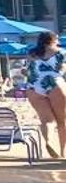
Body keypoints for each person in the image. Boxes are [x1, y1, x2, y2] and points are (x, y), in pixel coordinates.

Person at [25, 31, 66, 159]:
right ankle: (62, 151)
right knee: (61, 121)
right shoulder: (61, 52)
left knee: (47, 120)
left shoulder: (32, 53)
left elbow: (26, 70)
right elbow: (63, 70)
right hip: (54, 84)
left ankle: (48, 141)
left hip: (33, 86)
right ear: (53, 40)